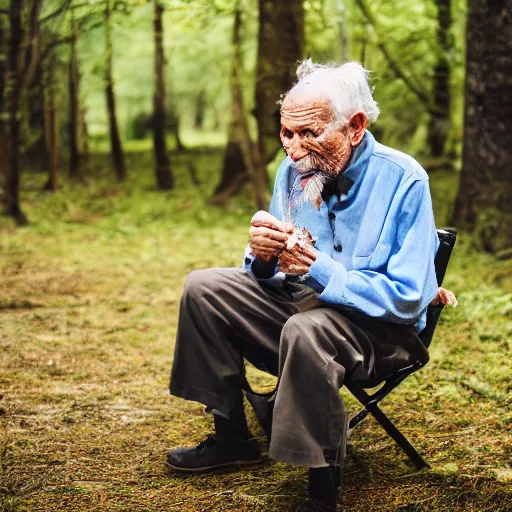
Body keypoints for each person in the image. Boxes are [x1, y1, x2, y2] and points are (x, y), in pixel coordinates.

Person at [167, 60, 440, 512]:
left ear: (354, 127)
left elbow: (408, 298)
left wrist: (322, 270)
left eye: (309, 134)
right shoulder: (292, 172)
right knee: (204, 287)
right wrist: (263, 256)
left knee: (307, 329)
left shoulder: (404, 179)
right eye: (286, 134)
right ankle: (232, 435)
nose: (294, 151)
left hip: (380, 334)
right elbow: (272, 277)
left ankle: (321, 487)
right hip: (301, 313)